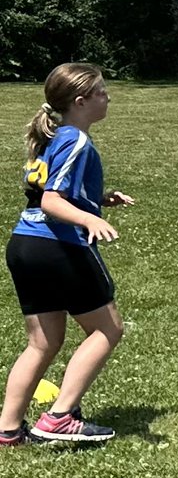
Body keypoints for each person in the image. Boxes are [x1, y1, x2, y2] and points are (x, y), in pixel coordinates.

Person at [0, 63, 132, 446]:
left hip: (25, 245)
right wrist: (90, 219)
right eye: (102, 92)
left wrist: (100, 200)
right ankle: (60, 417)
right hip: (58, 245)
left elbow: (47, 194)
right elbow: (53, 201)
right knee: (108, 329)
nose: (108, 97)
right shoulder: (75, 140)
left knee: (42, 343)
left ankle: (8, 430)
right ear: (80, 101)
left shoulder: (53, 137)